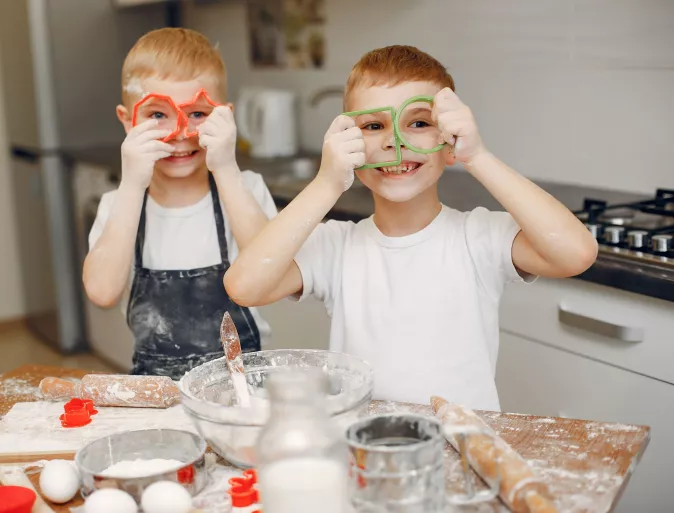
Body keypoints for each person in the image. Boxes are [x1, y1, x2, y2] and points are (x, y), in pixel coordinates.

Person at [224, 45, 597, 410]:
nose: (394, 141)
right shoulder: (336, 245)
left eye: (418, 123)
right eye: (373, 126)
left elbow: (575, 253)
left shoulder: (478, 237)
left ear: (447, 140)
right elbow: (245, 286)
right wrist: (326, 183)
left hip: (461, 448)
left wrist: (477, 157)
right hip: (364, 448)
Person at [83, 28, 277, 379]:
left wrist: (226, 169)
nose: (180, 133)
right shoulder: (119, 204)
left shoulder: (246, 189)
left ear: (226, 118)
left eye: (198, 114)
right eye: (157, 115)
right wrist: (130, 187)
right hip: (157, 388)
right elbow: (101, 291)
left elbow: (271, 273)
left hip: (243, 388)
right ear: (128, 122)